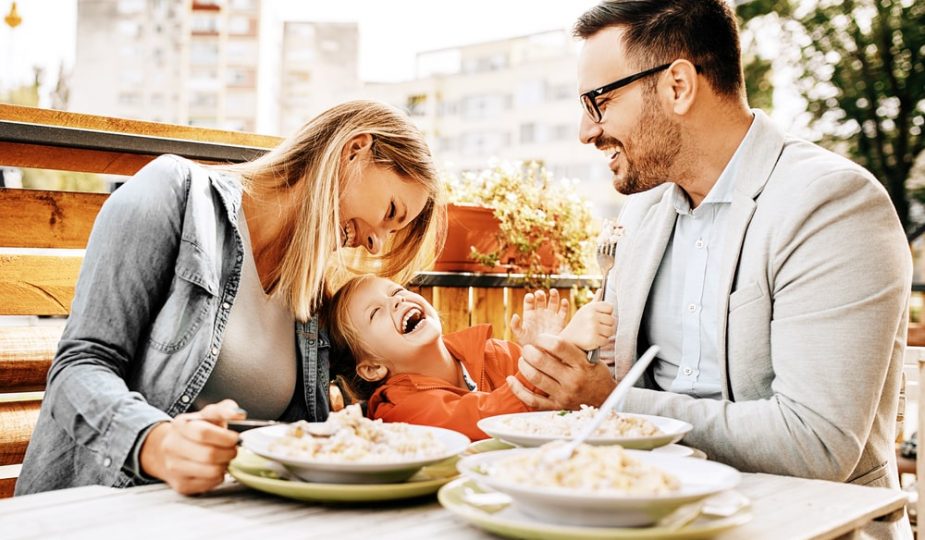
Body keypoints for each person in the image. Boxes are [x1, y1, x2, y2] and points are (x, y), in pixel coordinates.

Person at [508, 1, 912, 531]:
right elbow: (612, 375)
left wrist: (616, 401)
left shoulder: (832, 203)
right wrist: (565, 366)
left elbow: (816, 444)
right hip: (642, 512)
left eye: (599, 101)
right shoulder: (644, 211)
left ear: (678, 85)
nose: (587, 130)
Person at [16, 100, 445, 496]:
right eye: (391, 214)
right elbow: (79, 367)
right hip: (109, 508)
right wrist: (156, 442)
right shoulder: (176, 196)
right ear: (355, 150)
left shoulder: (310, 295)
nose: (374, 244)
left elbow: (392, 378)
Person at [324, 274, 616, 440]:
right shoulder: (399, 408)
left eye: (397, 291)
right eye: (376, 312)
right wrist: (559, 347)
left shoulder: (496, 352)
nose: (397, 300)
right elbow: (487, 417)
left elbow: (564, 401)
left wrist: (541, 351)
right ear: (373, 367)